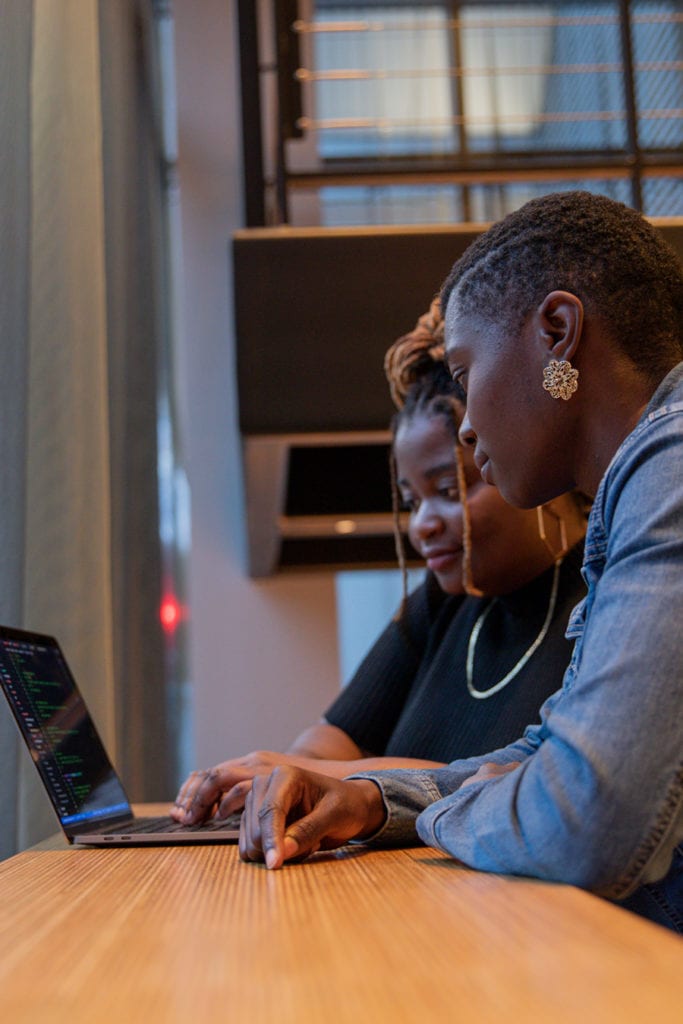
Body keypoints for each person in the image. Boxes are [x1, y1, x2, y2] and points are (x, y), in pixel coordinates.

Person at [236, 190, 683, 935]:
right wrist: (378, 800)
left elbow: (587, 819)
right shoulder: (633, 490)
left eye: (468, 370)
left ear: (557, 332)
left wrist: (451, 810)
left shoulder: (668, 465)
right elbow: (546, 754)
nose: (467, 422)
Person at [172, 298, 587, 825]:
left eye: (448, 489)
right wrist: (281, 773)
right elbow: (327, 744)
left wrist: (328, 777)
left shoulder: (601, 597)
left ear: (521, 452)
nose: (423, 524)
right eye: (412, 502)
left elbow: (517, 782)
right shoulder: (440, 605)